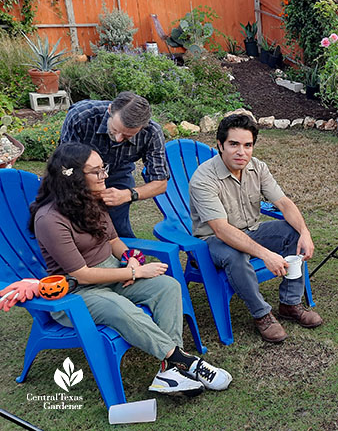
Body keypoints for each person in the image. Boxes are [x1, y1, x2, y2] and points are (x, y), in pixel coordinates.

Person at [29, 142, 231, 396]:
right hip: (76, 293)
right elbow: (82, 274)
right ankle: (185, 361)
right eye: (97, 171)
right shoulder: (50, 219)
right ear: (74, 177)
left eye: (104, 168)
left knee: (167, 286)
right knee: (119, 306)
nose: (105, 176)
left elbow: (113, 241)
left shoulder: (92, 200)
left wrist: (131, 258)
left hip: (114, 276)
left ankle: (170, 372)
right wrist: (134, 272)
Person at [189, 114, 322, 344]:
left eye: (247, 145)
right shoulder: (203, 178)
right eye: (234, 144)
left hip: (251, 229)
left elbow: (284, 203)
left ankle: (290, 303)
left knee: (292, 234)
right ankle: (262, 315)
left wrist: (305, 232)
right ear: (220, 145)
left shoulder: (257, 167)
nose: (242, 152)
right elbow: (221, 230)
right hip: (213, 241)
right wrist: (265, 253)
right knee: (236, 255)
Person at [60, 91, 168, 238]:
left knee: (117, 229)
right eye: (115, 130)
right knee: (74, 223)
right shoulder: (81, 116)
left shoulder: (152, 133)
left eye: (127, 136)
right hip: (79, 172)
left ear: (142, 127)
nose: (118, 139)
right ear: (110, 110)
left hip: (119, 173)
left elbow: (160, 183)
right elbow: (65, 166)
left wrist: (129, 194)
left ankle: (124, 251)